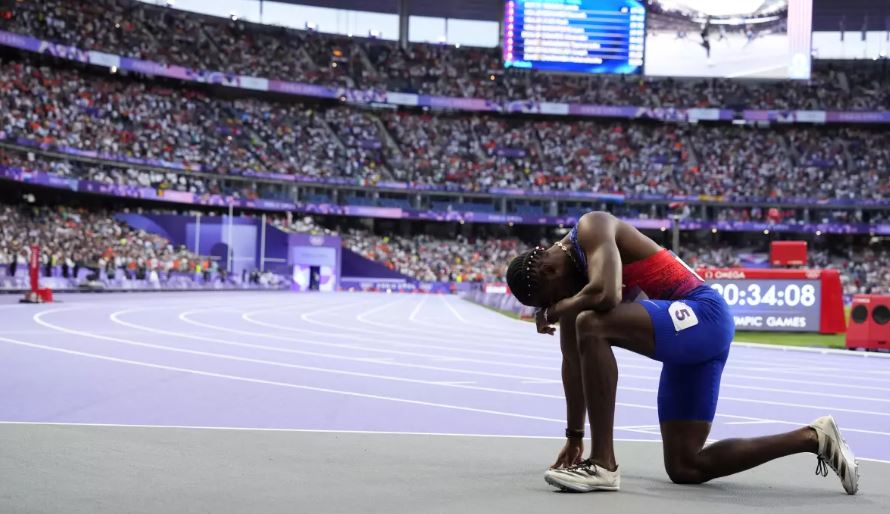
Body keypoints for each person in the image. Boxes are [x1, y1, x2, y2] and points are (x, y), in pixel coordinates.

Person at [505, 212, 858, 494]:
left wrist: (554, 311)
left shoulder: (591, 227)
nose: (557, 305)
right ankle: (814, 437)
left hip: (705, 314)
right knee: (686, 466)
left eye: (551, 299)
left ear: (551, 270)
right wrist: (573, 437)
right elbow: (572, 362)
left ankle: (603, 464)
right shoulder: (575, 287)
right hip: (687, 339)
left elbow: (608, 295)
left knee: (590, 323)